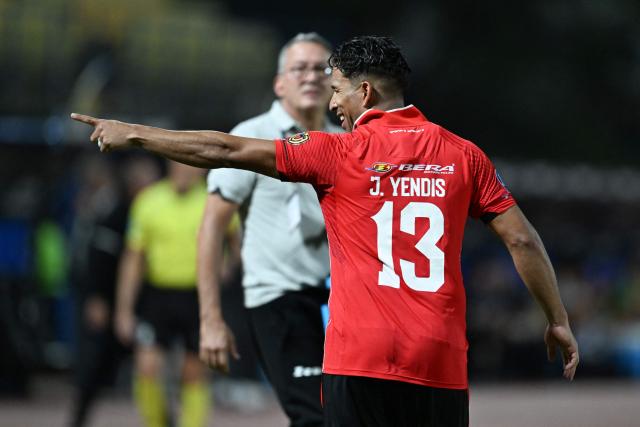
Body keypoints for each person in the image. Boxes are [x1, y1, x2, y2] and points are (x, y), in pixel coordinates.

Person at [71, 35, 579, 426]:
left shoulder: (336, 152)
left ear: (364, 91)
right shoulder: (464, 155)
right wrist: (556, 317)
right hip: (438, 358)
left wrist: (134, 134)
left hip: (358, 357)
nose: (333, 104)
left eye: (336, 90)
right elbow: (522, 239)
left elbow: (225, 150)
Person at [197, 32, 340, 426]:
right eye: (299, 68)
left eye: (321, 68)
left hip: (343, 301)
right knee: (315, 415)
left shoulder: (346, 140)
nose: (311, 77)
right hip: (280, 299)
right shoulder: (251, 136)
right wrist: (211, 319)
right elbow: (212, 226)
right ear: (280, 82)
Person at [114, 160, 209, 427]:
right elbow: (133, 259)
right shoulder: (149, 201)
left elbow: (235, 240)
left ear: (200, 169)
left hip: (197, 295)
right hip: (157, 296)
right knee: (147, 369)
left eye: (190, 166)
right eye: (177, 165)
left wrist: (225, 269)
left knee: (192, 373)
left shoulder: (213, 200)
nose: (183, 172)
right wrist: (124, 309)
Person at [69, 155, 159, 427]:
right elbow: (98, 261)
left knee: (152, 366)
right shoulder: (115, 215)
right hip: (109, 303)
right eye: (143, 183)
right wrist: (97, 298)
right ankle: (78, 418)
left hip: (147, 304)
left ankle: (163, 420)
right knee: (94, 367)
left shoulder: (155, 213)